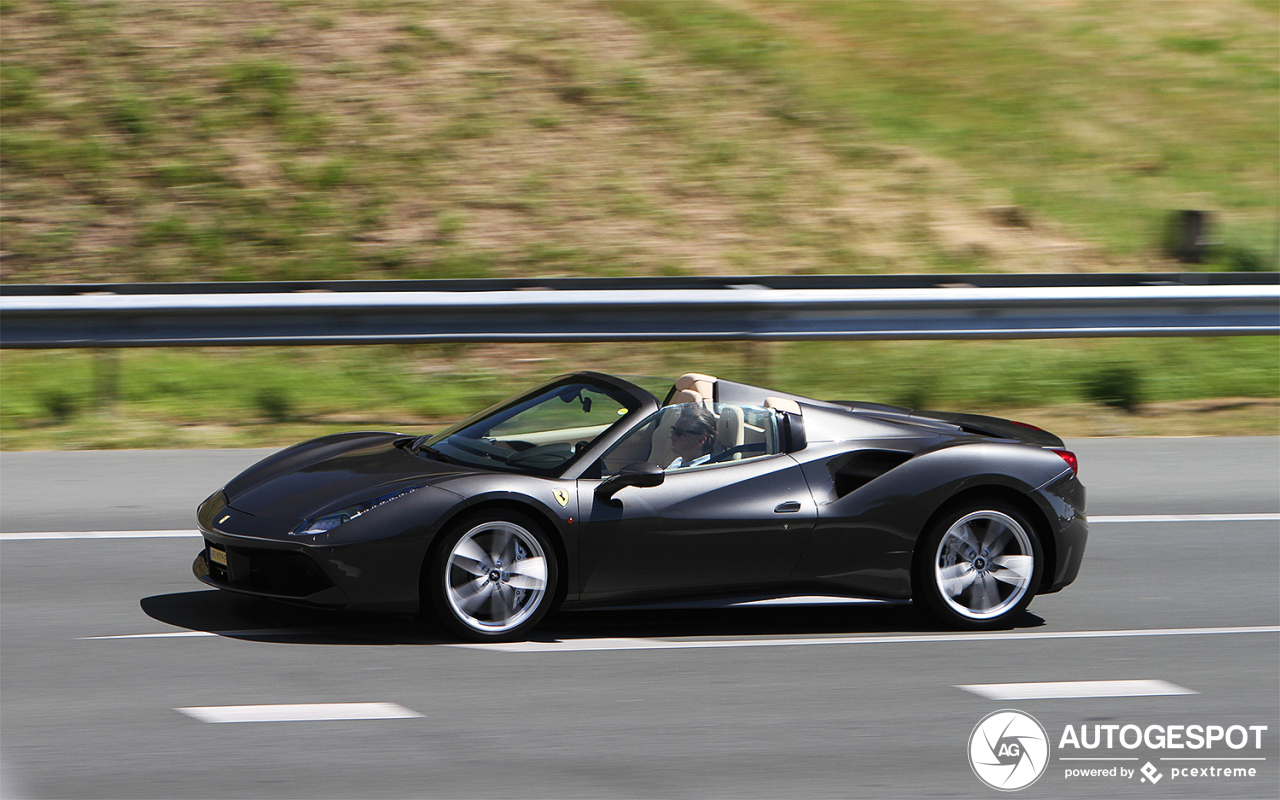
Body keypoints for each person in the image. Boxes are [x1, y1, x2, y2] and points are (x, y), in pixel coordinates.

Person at [665, 404, 716, 470]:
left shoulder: (704, 471)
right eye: (673, 430)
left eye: (679, 432)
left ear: (700, 440)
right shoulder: (678, 462)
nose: (671, 436)